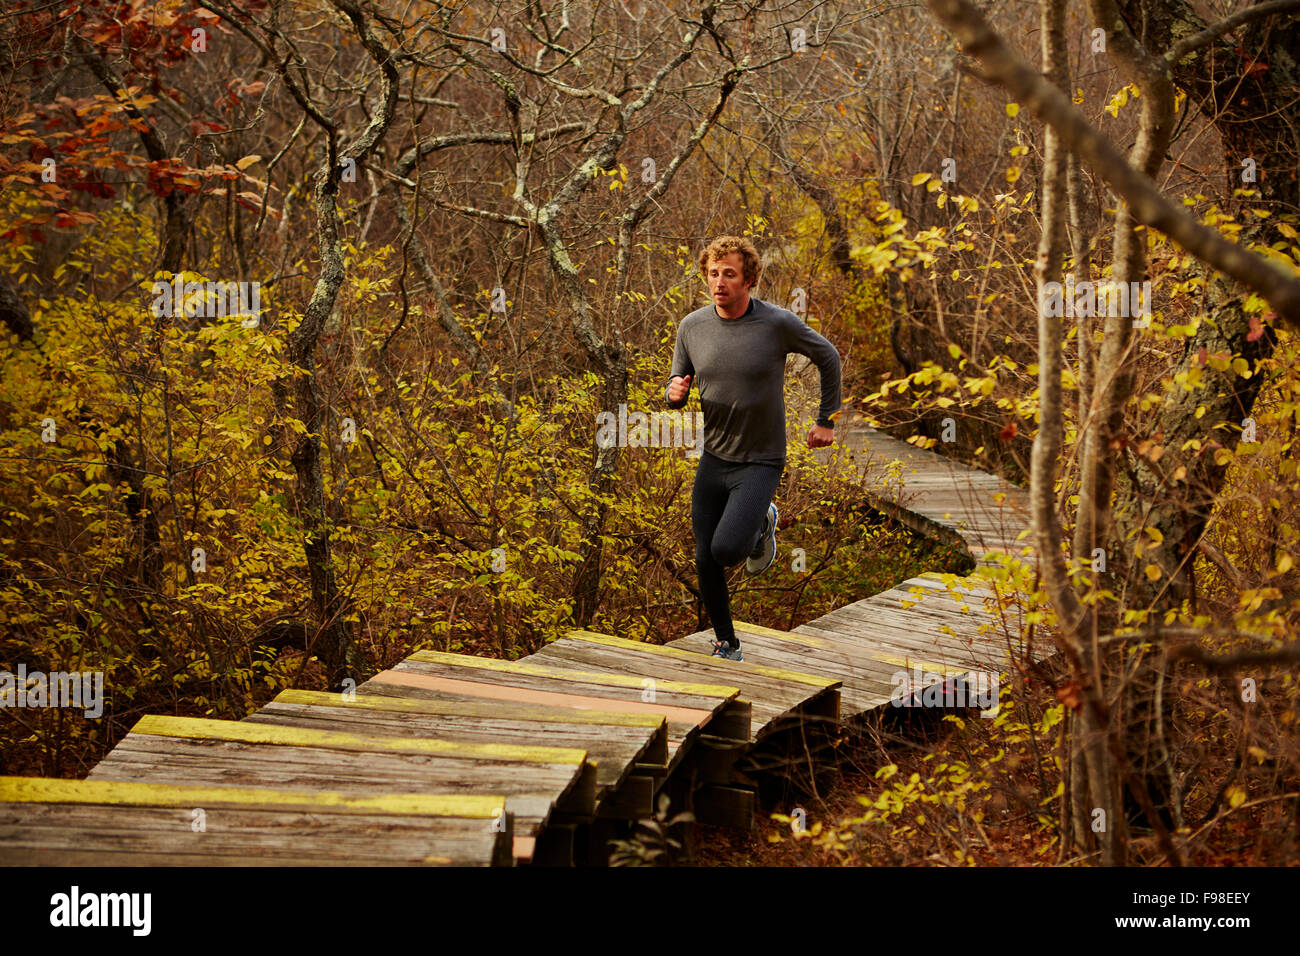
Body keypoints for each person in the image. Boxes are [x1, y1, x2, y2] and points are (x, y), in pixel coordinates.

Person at [664, 235, 841, 661]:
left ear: (749, 280)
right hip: (714, 457)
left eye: (729, 274)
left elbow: (829, 356)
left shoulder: (776, 323)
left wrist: (825, 420)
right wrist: (673, 394)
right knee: (705, 559)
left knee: (726, 551)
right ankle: (728, 643)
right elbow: (677, 385)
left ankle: (763, 519)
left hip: (761, 460)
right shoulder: (692, 327)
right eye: (713, 273)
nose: (719, 282)